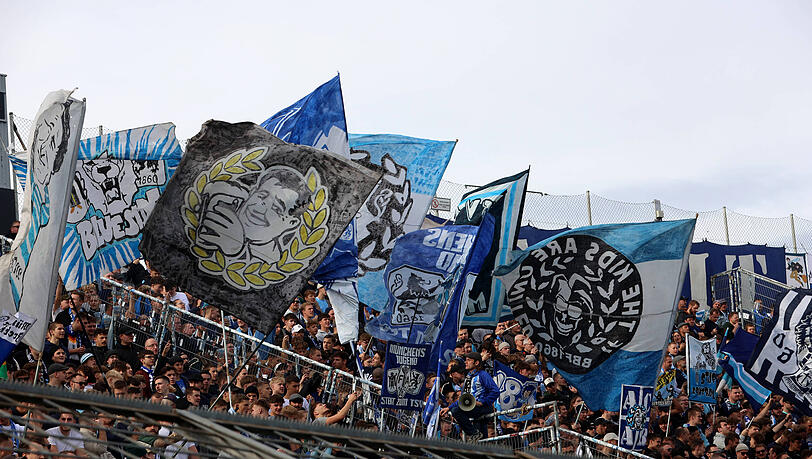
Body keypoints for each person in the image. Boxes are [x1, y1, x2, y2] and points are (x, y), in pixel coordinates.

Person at [441, 351, 498, 442]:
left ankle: (474, 434)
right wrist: (448, 408)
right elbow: (463, 398)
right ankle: (476, 435)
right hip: (473, 408)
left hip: (483, 407)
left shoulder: (483, 375)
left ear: (476, 363)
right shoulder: (468, 377)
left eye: (469, 360)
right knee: (481, 440)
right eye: (466, 360)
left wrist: (482, 402)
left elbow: (495, 391)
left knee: (456, 411)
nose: (465, 362)